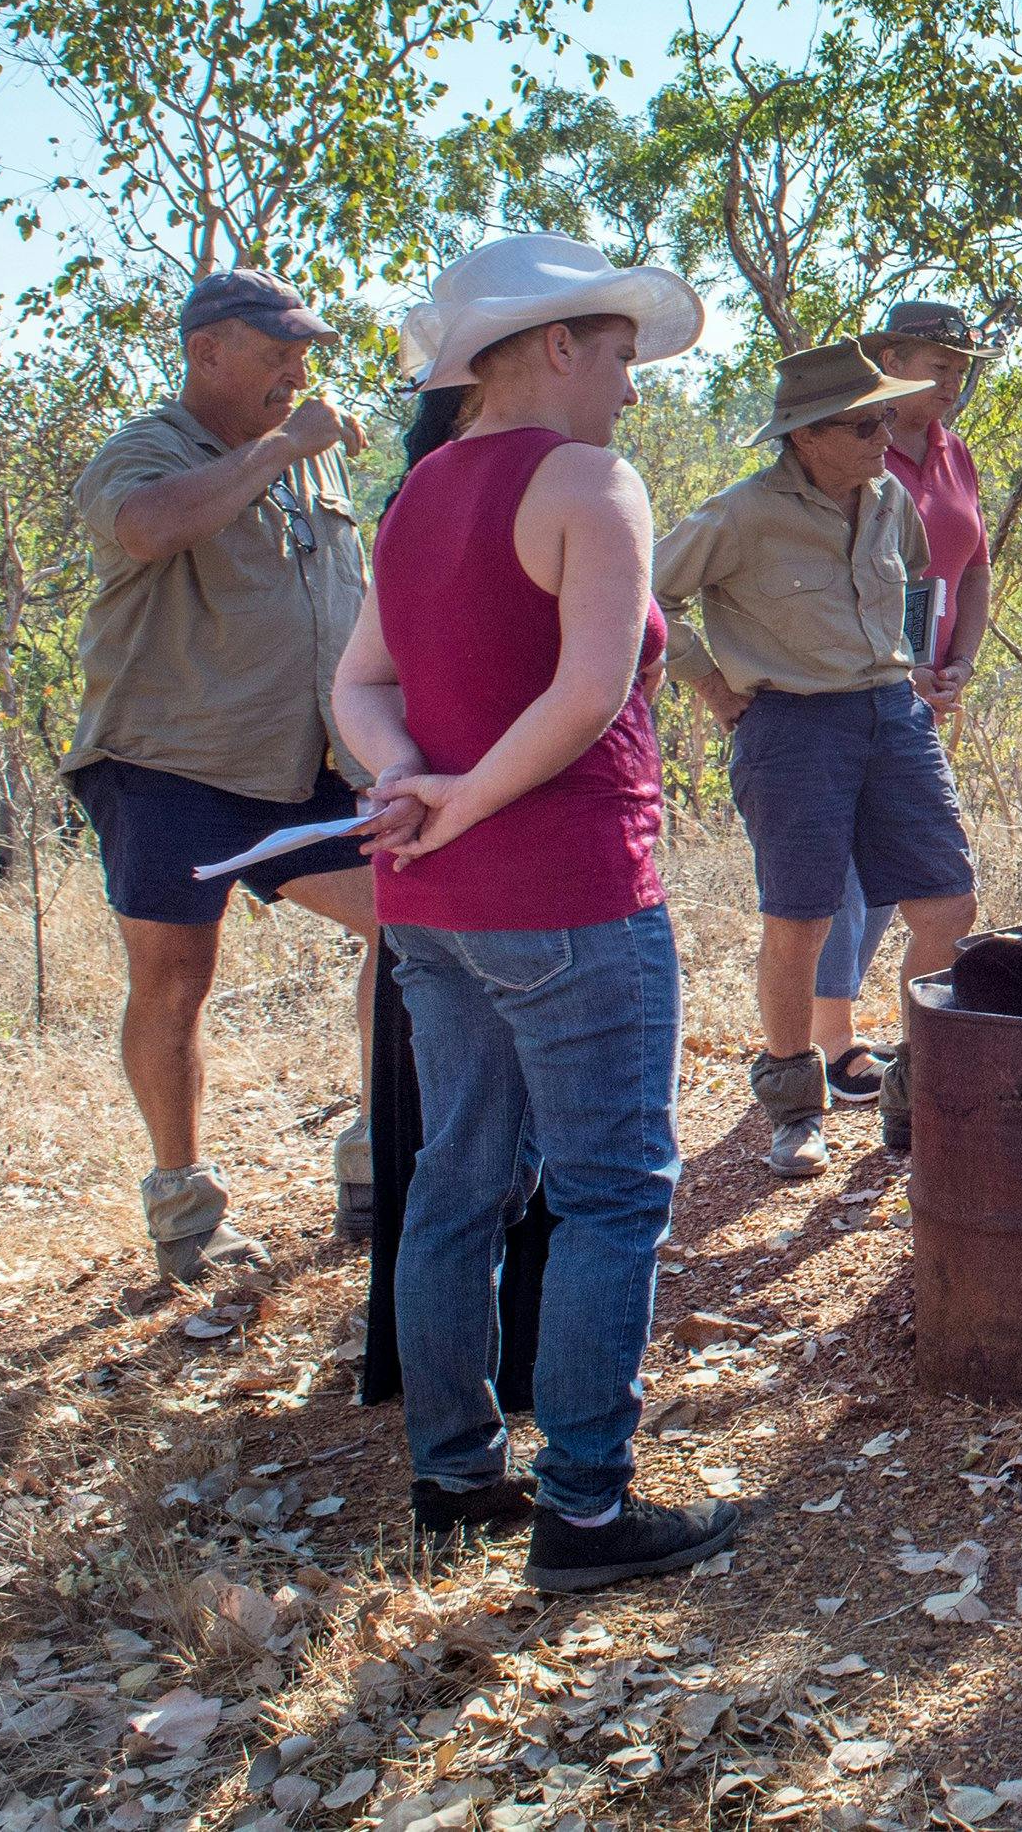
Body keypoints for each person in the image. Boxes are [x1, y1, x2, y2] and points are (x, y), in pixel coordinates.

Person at [333, 231, 740, 1587]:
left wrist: (413, 787)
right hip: (567, 890)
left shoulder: (422, 493)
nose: (632, 388)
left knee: (457, 1182)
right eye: (620, 355)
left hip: (433, 904)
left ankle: (454, 1484)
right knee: (615, 1192)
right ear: (556, 344)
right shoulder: (588, 482)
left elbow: (360, 689)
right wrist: (455, 795)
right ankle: (583, 1507)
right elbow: (587, 692)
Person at [66, 267, 379, 1281]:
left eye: (304, 354)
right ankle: (185, 1206)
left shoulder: (313, 465)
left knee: (413, 921)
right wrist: (283, 444)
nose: (299, 371)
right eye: (278, 351)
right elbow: (146, 527)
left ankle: (381, 1160)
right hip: (172, 763)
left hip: (310, 760)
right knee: (173, 980)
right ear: (208, 351)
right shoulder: (149, 448)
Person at [653, 340, 978, 1182]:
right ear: (804, 434)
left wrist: (915, 666)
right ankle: (795, 1107)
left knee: (947, 904)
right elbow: (647, 602)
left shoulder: (886, 499)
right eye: (863, 423)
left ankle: (920, 1092)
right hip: (791, 728)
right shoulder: (740, 515)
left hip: (891, 717)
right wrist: (711, 685)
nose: (883, 435)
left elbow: (916, 583)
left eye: (884, 418)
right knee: (801, 918)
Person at [810, 300, 995, 1143]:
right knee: (839, 876)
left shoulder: (955, 455)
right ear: (888, 357)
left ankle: (890, 1058)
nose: (951, 381)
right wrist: (898, 666)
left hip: (928, 693)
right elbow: (826, 577)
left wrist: (961, 661)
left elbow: (975, 564)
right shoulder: (849, 442)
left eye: (961, 368)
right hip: (849, 694)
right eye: (936, 363)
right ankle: (824, 1051)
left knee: (913, 875)